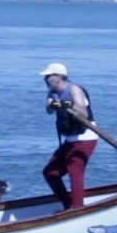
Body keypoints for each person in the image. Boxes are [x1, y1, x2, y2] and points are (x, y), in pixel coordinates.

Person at [40, 62, 97, 209]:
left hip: (85, 137)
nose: (45, 79)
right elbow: (49, 110)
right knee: (50, 172)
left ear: (59, 76)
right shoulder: (52, 92)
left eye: (48, 76)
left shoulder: (74, 89)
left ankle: (77, 208)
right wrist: (52, 104)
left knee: (75, 170)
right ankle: (68, 205)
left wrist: (67, 104)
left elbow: (83, 113)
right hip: (70, 139)